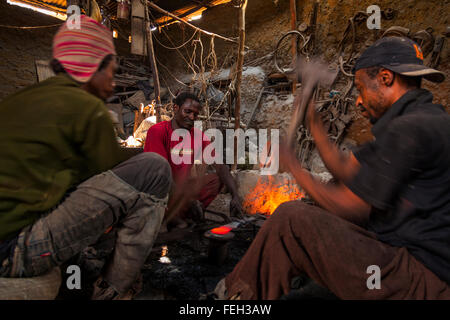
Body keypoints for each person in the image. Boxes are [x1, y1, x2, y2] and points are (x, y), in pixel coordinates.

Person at [215, 36, 450, 300]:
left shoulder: (410, 128)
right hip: (415, 265)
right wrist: (313, 121)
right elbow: (345, 169)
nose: (358, 101)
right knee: (327, 194)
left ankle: (228, 299)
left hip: (422, 280)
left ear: (385, 78)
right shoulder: (421, 119)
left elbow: (352, 205)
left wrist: (292, 164)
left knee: (291, 219)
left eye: (360, 88)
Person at [0, 15, 171, 300]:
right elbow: (111, 174)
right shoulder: (85, 106)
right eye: (111, 72)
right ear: (91, 67)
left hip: (10, 235)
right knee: (153, 170)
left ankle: (77, 274)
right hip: (14, 250)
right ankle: (112, 290)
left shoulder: (22, 100)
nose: (113, 82)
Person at [144, 92, 243, 229]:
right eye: (187, 111)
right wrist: (189, 201)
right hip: (162, 193)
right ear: (175, 108)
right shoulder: (157, 131)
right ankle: (173, 215)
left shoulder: (197, 135)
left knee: (217, 179)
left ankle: (184, 212)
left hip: (182, 193)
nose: (191, 117)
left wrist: (235, 196)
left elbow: (220, 166)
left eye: (195, 114)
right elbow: (160, 174)